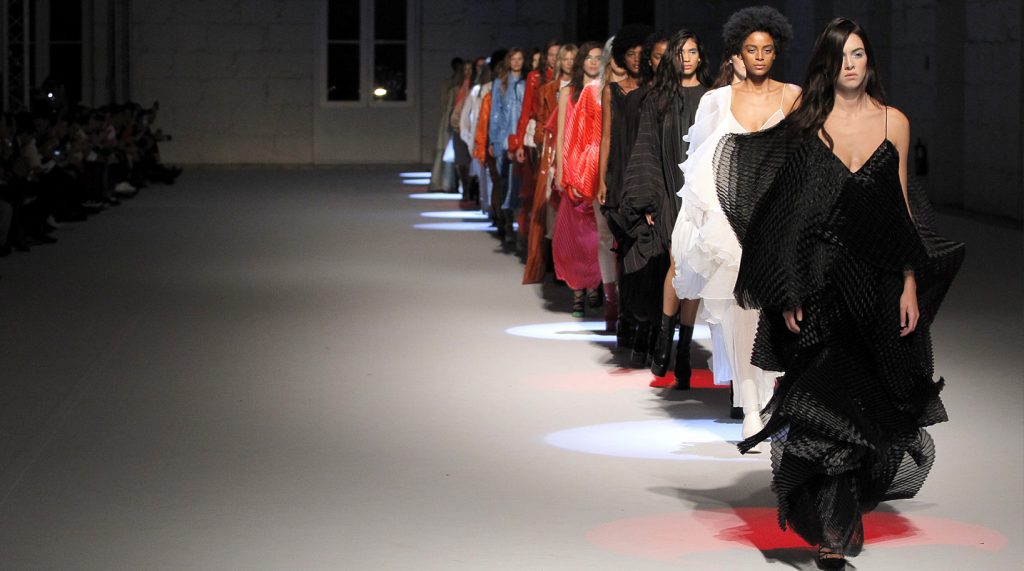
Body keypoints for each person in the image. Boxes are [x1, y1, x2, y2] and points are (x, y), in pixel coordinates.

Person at [716, 18, 964, 569]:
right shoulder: (809, 122)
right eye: (839, 56)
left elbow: (902, 209)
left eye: (857, 54)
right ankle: (834, 532)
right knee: (821, 398)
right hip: (821, 281)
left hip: (877, 281)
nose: (849, 64)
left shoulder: (894, 123)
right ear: (826, 65)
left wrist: (908, 282)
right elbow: (786, 214)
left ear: (869, 60)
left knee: (869, 398)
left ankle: (838, 516)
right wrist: (788, 287)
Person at [673, 6, 800, 431]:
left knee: (777, 308)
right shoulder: (716, 101)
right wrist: (695, 224)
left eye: (767, 49)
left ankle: (770, 394)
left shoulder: (793, 97)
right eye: (751, 49)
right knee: (740, 309)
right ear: (738, 53)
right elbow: (699, 165)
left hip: (777, 218)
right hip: (729, 219)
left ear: (776, 52)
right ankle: (750, 407)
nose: (759, 56)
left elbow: (804, 160)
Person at [608, 30, 669, 357]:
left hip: (670, 189)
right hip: (633, 186)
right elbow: (622, 145)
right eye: (657, 56)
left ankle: (653, 329)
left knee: (662, 263)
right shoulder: (634, 97)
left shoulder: (688, 98)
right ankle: (633, 321)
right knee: (633, 257)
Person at [596, 24, 651, 332]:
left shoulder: (656, 90)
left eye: (641, 53)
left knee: (643, 248)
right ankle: (624, 315)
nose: (636, 59)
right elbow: (606, 137)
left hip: (646, 173)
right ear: (620, 57)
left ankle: (642, 316)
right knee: (622, 246)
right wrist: (601, 179)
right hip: (618, 172)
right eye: (630, 53)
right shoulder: (611, 91)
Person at [553, 41, 604, 317]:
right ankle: (577, 292)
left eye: (598, 58)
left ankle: (594, 284)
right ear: (581, 60)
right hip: (573, 169)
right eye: (589, 57)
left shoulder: (604, 91)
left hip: (595, 169)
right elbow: (561, 134)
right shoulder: (568, 92)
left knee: (595, 233)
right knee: (574, 234)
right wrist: (561, 172)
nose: (593, 62)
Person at [522, 44, 576, 285]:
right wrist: (542, 140)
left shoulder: (583, 89)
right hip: (551, 153)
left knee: (573, 209)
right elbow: (540, 121)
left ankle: (571, 264)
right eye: (565, 58)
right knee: (552, 206)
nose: (568, 62)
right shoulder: (546, 90)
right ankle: (556, 264)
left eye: (572, 58)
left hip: (575, 151)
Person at [489, 48, 527, 245]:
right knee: (504, 181)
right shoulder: (500, 83)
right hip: (504, 139)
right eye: (513, 59)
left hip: (521, 138)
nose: (517, 62)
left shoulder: (527, 83)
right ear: (508, 61)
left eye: (520, 58)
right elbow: (494, 112)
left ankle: (518, 225)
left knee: (519, 182)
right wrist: (493, 140)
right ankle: (506, 223)